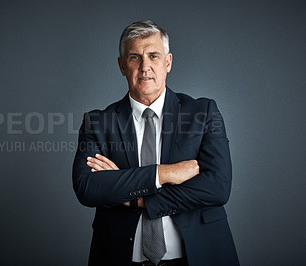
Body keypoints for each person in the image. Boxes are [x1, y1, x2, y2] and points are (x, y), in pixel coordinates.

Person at [72, 20, 239, 266]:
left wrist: (137, 198)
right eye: (134, 57)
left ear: (168, 62)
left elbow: (218, 187)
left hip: (199, 256)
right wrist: (164, 173)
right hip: (118, 258)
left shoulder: (203, 113)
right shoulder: (97, 123)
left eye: (153, 56)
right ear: (121, 66)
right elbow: (88, 187)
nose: (145, 67)